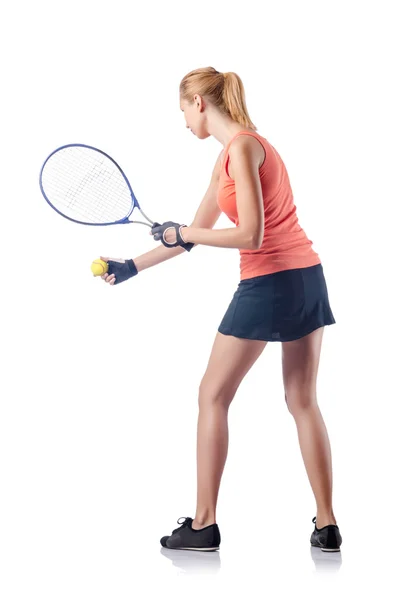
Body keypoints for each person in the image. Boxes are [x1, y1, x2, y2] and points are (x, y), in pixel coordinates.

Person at [100, 67, 342, 553]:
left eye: (183, 110)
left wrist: (185, 234)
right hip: (306, 278)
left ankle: (204, 524)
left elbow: (247, 235)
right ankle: (328, 525)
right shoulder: (233, 158)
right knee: (301, 400)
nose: (184, 121)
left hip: (270, 281)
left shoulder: (242, 149)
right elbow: (190, 233)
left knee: (212, 394)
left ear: (199, 103)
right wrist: (132, 265)